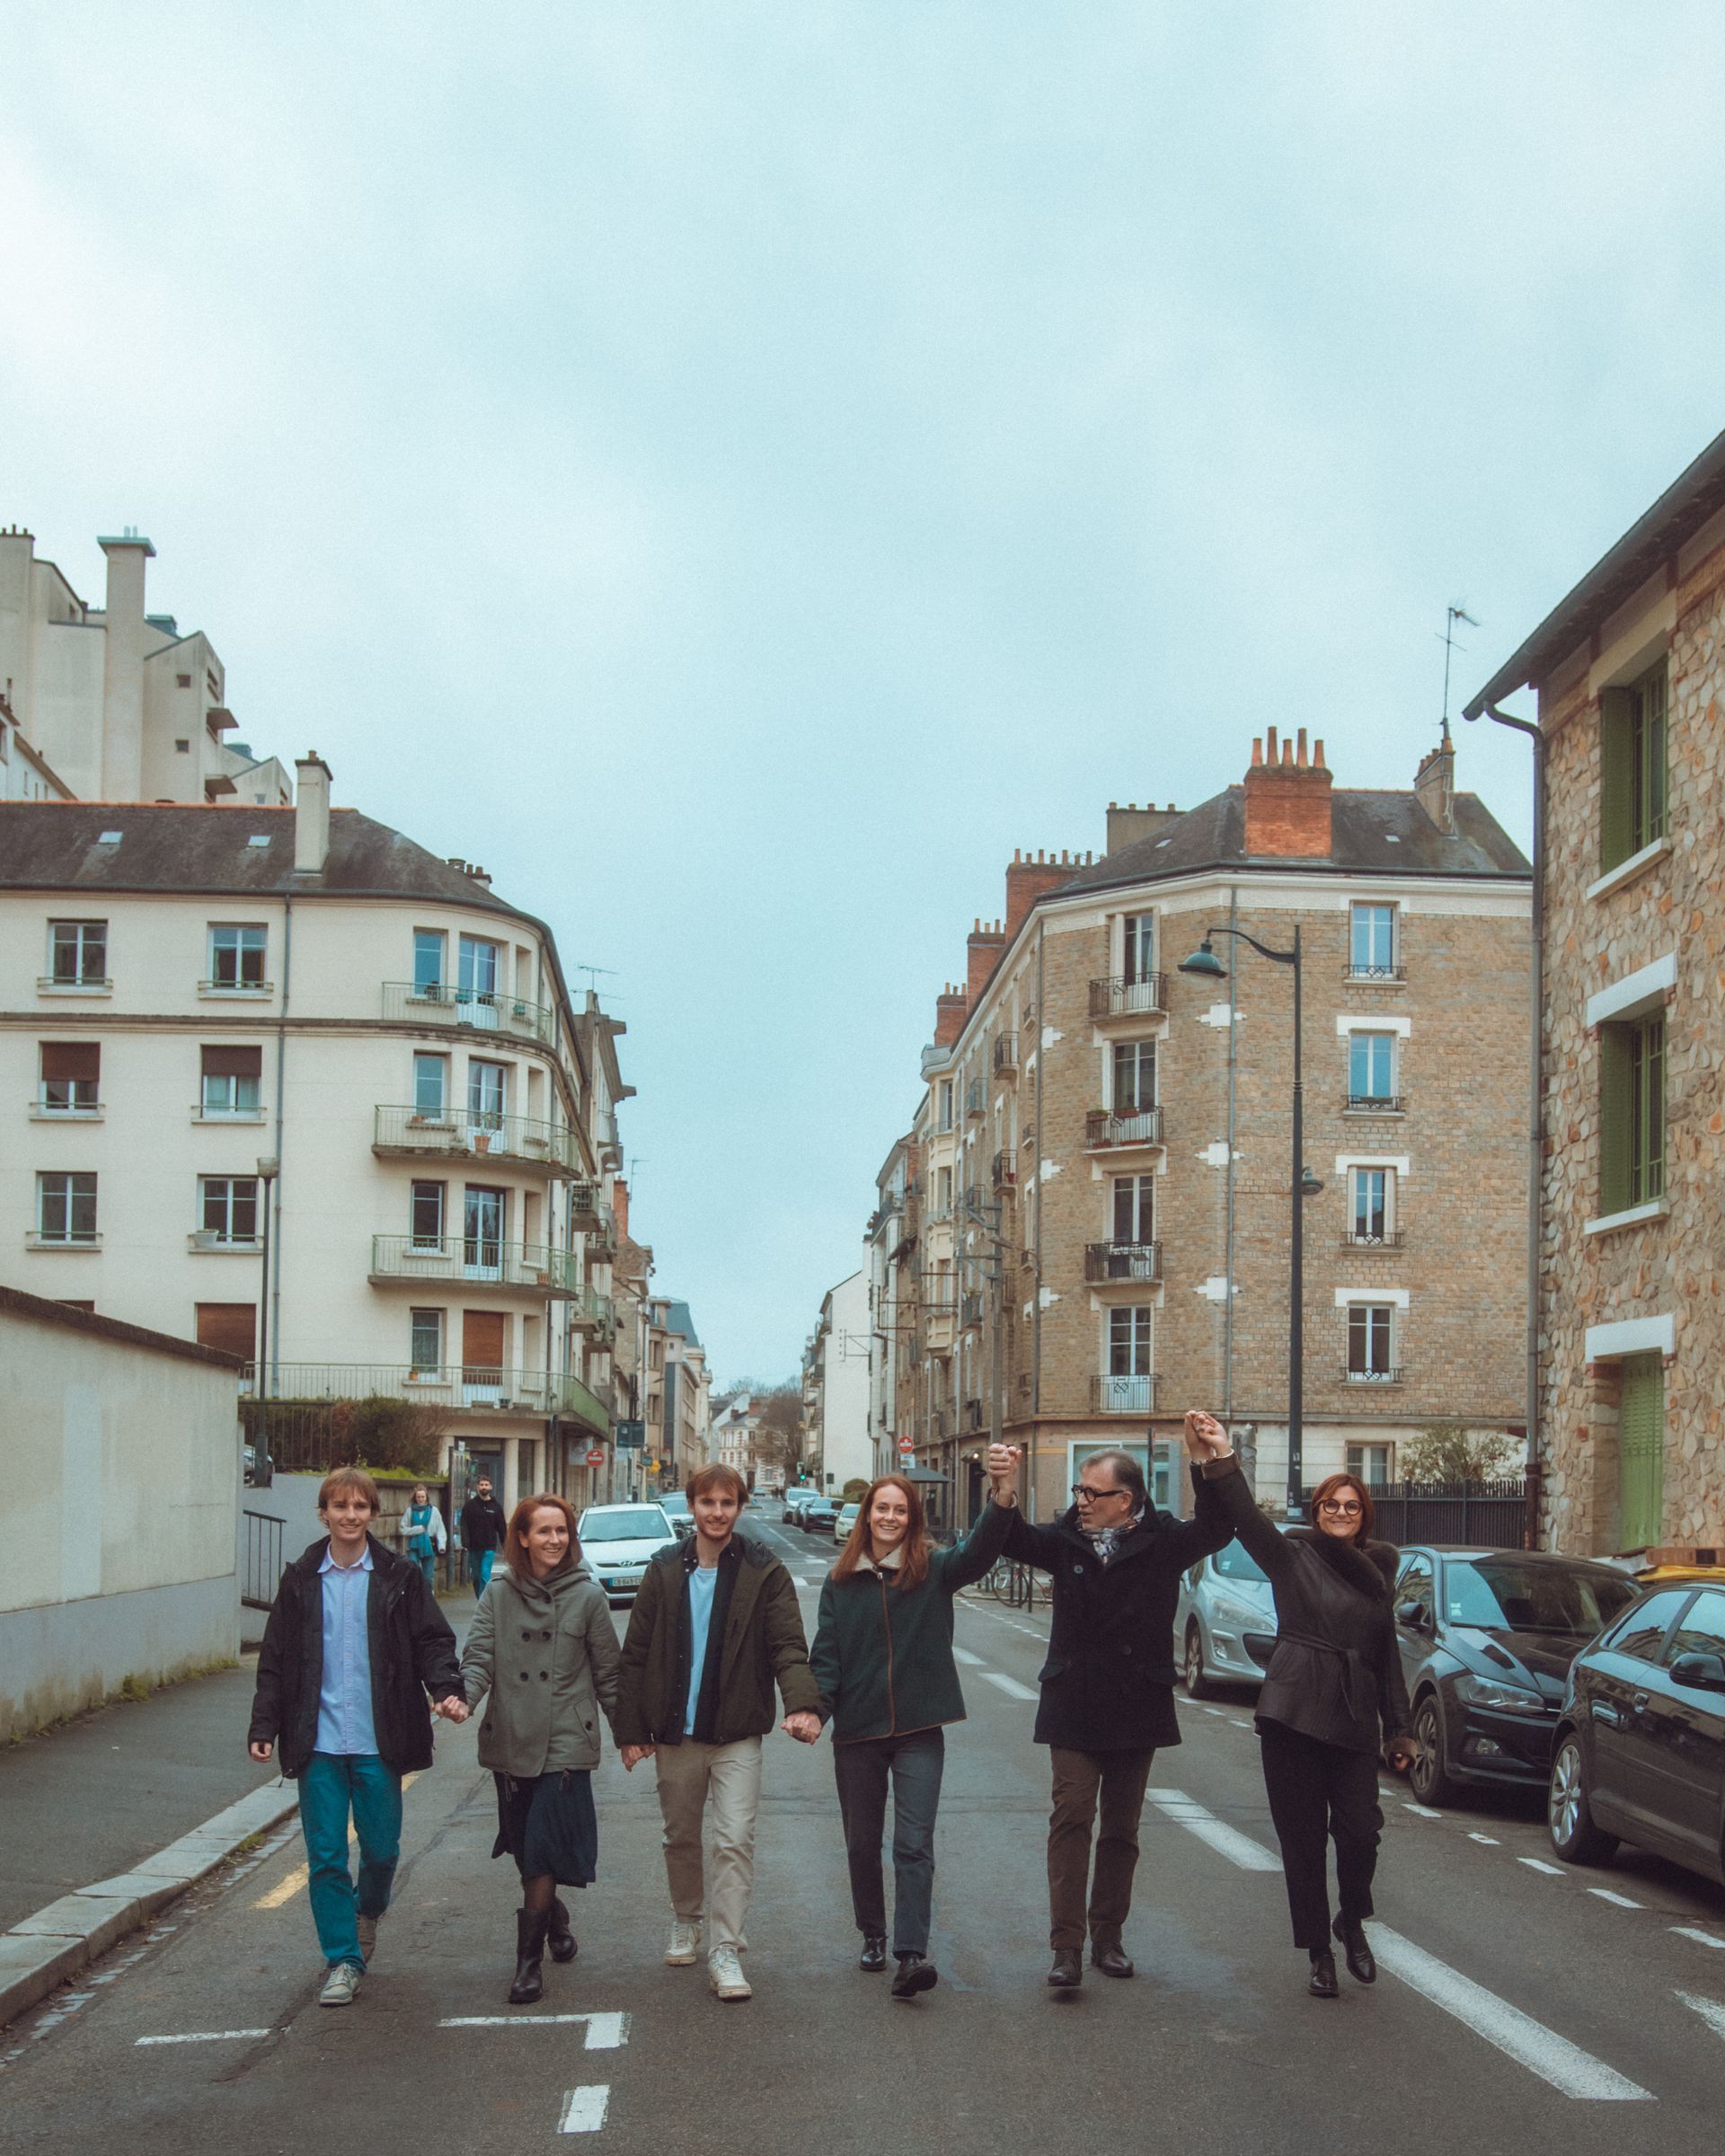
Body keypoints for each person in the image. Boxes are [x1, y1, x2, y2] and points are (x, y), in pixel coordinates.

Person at [997, 1425, 1254, 1988]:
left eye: (1092, 1493)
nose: (1080, 1502)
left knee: (1121, 1828)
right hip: (1073, 1703)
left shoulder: (1162, 1540)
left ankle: (1107, 1937)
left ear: (1127, 1500)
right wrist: (1003, 1489)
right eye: (1078, 1492)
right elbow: (1010, 1539)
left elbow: (1218, 1526)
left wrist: (1205, 1460)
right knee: (1071, 1817)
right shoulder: (1064, 1540)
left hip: (1137, 1702)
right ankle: (1065, 1947)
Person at [1185, 1414, 1416, 1999]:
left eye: (1351, 1507)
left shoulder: (1380, 1576)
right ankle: (1319, 1950)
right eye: (1330, 1505)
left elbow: (1386, 1656)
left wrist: (1401, 1731)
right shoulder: (1292, 1557)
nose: (1340, 1513)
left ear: (1365, 1518)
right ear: (1316, 1512)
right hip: (1292, 1711)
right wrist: (1219, 1454)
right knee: (1303, 1839)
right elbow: (1244, 1516)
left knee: (1362, 1832)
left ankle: (1352, 1919)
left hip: (1355, 1716)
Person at [247, 1466, 465, 2008]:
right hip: (316, 1740)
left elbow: (432, 1640)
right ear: (324, 1513)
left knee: (382, 1851)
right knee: (324, 1856)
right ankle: (343, 1958)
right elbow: (275, 1657)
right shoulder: (301, 1577)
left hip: (378, 1740)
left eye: (360, 1507)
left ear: (374, 1514)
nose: (350, 1516)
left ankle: (367, 1912)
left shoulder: (398, 1576)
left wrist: (445, 1687)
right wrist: (263, 1726)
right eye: (339, 1506)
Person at [809, 1445, 1019, 1999]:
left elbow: (979, 1552)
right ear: (867, 1516)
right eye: (882, 1509)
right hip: (856, 1731)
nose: (890, 1518)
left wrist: (1001, 1495)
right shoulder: (840, 1582)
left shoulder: (935, 1570)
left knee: (913, 1842)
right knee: (861, 1842)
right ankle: (872, 1933)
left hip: (921, 1729)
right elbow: (825, 1658)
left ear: (912, 1519)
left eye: (900, 1511)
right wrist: (812, 1711)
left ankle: (911, 1954)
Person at [615, 1462, 822, 2002]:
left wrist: (803, 1705)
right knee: (681, 1836)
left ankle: (726, 1949)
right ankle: (687, 1918)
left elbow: (788, 1645)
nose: (717, 1512)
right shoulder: (662, 1569)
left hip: (736, 1734)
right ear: (692, 1507)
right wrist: (631, 1730)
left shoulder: (763, 1570)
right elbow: (635, 1655)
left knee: (733, 1840)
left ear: (741, 1507)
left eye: (727, 1503)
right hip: (675, 1736)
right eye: (707, 1502)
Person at [459, 1492, 621, 2004]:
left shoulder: (589, 1596)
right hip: (511, 1736)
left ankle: (527, 1968)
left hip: (566, 1739)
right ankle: (553, 1917)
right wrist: (461, 1699)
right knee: (525, 1848)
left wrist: (634, 1735)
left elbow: (609, 1675)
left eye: (563, 1531)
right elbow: (480, 1654)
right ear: (522, 1538)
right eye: (544, 1531)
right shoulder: (498, 1594)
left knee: (544, 1846)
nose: (555, 1540)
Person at [461, 1473, 508, 1596]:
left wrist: (507, 1546)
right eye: (481, 1485)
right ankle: (480, 1598)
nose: (484, 1487)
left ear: (491, 1487)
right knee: (476, 1577)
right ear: (477, 1487)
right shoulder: (470, 1506)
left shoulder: (496, 1507)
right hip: (474, 1547)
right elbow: (464, 1524)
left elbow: (502, 1528)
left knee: (484, 1575)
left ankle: (484, 1602)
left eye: (486, 1485)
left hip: (489, 1547)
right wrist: (465, 1541)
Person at [402, 1483, 446, 1591]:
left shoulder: (434, 1511)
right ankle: (415, 1598)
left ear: (426, 1498)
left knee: (428, 1575)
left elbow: (440, 1529)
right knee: (413, 1572)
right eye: (418, 1497)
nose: (420, 1499)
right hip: (413, 1546)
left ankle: (428, 1598)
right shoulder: (410, 1511)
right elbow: (403, 1529)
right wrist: (416, 1530)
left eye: (422, 1497)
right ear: (415, 1498)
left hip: (429, 1545)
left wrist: (442, 1545)